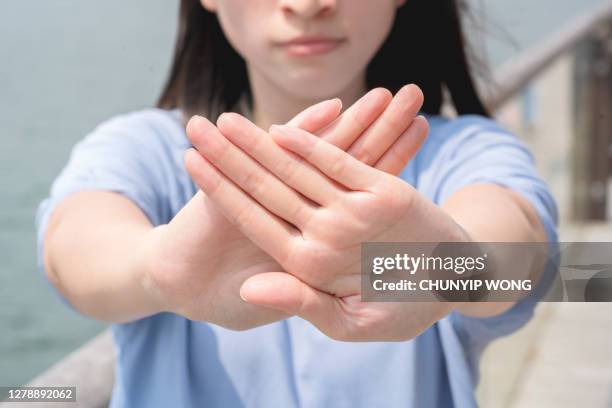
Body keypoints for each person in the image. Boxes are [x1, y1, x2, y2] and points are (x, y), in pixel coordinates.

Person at [35, 0, 559, 406]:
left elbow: (537, 264)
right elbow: (73, 250)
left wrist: (437, 269)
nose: (308, 4)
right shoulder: (145, 149)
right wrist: (155, 269)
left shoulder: (466, 149)